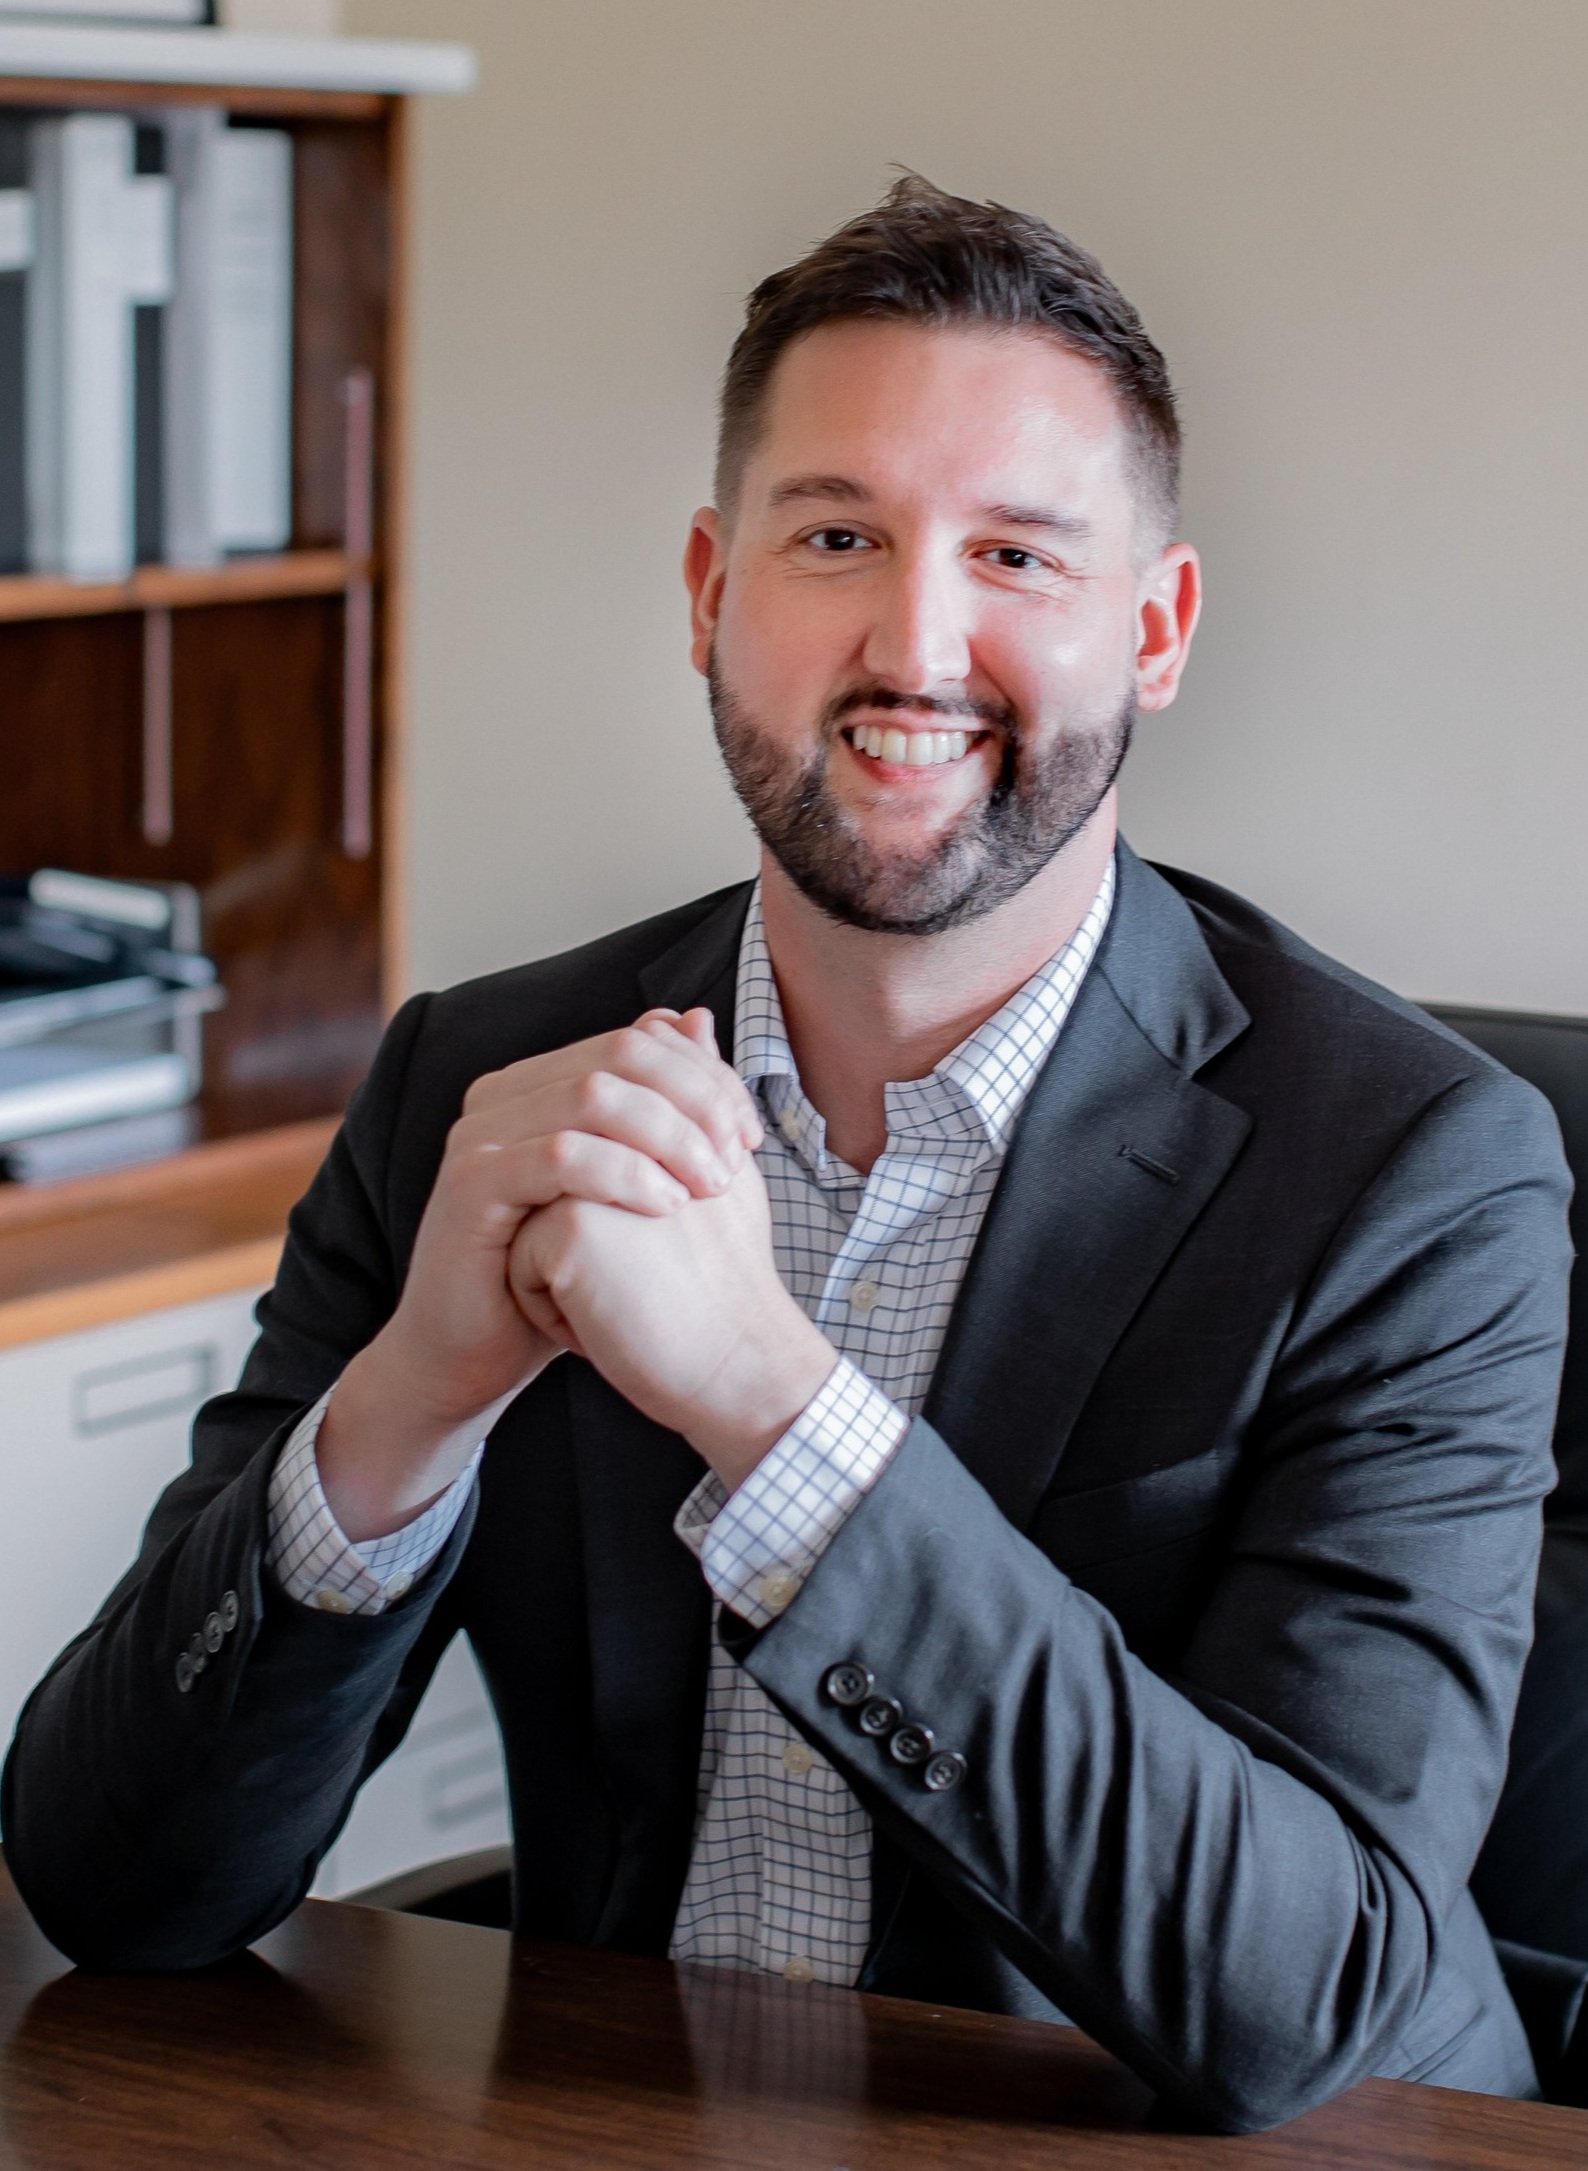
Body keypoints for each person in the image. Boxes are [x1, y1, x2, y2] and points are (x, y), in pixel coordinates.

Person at [2, 177, 1571, 2134]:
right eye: (833, 534)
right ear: (705, 593)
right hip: (642, 2113)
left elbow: (1299, 1989)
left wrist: (767, 1400)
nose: (911, 641)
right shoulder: (480, 1083)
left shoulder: (1413, 1172)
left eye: (1015, 554)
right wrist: (406, 1403)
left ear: (1153, 628)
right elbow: (113, 1879)